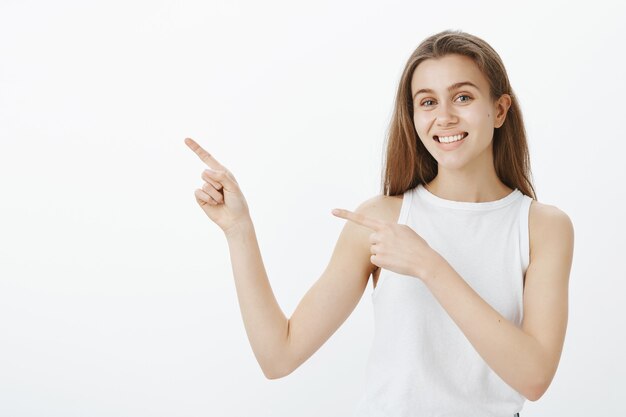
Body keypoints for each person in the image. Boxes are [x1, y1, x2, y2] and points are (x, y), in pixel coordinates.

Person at [184, 29, 574, 417]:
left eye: (463, 97)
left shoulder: (542, 227)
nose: (444, 116)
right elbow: (278, 356)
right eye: (427, 102)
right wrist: (239, 230)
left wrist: (428, 264)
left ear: (500, 109)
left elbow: (534, 377)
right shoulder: (380, 220)